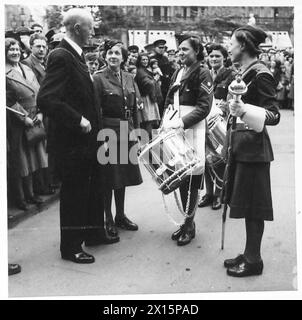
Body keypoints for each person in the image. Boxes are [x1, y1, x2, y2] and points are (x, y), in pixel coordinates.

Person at [37, 8, 115, 264]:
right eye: (90, 27)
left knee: (93, 187)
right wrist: (77, 119)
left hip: (87, 140)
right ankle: (70, 247)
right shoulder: (61, 55)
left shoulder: (76, 55)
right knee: (75, 193)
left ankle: (93, 233)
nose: (93, 32)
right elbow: (47, 99)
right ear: (78, 28)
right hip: (73, 142)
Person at [222, 25, 280, 277]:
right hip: (241, 146)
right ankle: (248, 252)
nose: (229, 47)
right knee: (246, 203)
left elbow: (274, 115)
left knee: (254, 205)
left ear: (243, 45)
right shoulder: (244, 71)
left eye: (232, 43)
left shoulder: (261, 74)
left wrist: (243, 110)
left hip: (254, 149)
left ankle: (254, 260)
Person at [163, 35, 213, 246]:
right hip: (176, 128)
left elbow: (204, 107)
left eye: (185, 50)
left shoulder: (203, 72)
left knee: (192, 177)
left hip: (192, 130)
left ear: (196, 51)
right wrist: (164, 122)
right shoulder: (178, 71)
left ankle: (189, 225)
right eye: (179, 50)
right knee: (181, 176)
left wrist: (181, 123)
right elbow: (168, 99)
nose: (180, 53)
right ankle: (186, 221)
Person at [93, 39, 142, 238]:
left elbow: (135, 107)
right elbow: (96, 110)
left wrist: (138, 134)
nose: (113, 56)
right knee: (108, 178)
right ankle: (108, 218)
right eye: (110, 53)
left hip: (126, 129)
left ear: (123, 58)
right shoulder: (98, 78)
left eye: (117, 53)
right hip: (108, 132)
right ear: (105, 56)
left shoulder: (129, 77)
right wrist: (100, 138)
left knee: (122, 176)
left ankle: (121, 215)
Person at [6, 37, 47, 211]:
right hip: (18, 122)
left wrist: (40, 111)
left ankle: (32, 194)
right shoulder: (4, 73)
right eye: (11, 50)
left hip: (34, 117)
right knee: (21, 161)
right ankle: (22, 198)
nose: (15, 53)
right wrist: (24, 118)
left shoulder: (26, 68)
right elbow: (8, 101)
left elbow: (39, 92)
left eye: (17, 49)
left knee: (34, 159)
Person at [199, 43, 235, 210]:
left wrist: (221, 109)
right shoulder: (204, 74)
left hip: (221, 121)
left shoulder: (231, 75)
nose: (213, 59)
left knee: (219, 158)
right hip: (203, 120)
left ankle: (219, 195)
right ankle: (208, 193)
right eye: (211, 56)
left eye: (217, 56)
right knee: (205, 159)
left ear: (224, 58)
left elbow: (233, 100)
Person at [135, 53, 161, 138]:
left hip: (149, 97)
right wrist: (155, 79)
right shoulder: (140, 71)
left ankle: (150, 140)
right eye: (143, 59)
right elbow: (147, 84)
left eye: (146, 59)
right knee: (148, 121)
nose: (145, 61)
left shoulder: (145, 70)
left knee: (150, 121)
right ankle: (148, 141)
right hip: (145, 98)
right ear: (139, 61)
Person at [150, 39, 171, 117]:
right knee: (158, 108)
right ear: (155, 48)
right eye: (160, 47)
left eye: (163, 48)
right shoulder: (152, 59)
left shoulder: (165, 58)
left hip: (166, 86)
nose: (162, 49)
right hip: (157, 86)